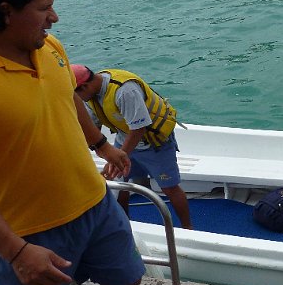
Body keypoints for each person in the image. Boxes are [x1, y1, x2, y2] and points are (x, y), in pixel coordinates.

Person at [0, 0, 144, 285]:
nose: (54, 17)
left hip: (95, 203)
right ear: (5, 12)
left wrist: (101, 144)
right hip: (29, 231)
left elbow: (70, 96)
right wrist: (15, 252)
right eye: (44, 8)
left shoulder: (49, 47)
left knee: (127, 278)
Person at [72, 64, 193, 230]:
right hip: (124, 139)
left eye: (74, 95)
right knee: (121, 184)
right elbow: (92, 129)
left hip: (154, 143)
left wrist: (119, 158)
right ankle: (125, 225)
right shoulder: (90, 96)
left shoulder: (125, 91)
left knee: (169, 187)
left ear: (84, 86)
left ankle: (188, 228)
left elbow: (138, 129)